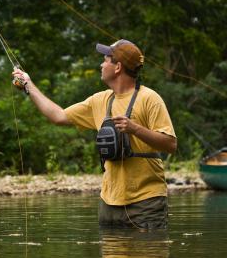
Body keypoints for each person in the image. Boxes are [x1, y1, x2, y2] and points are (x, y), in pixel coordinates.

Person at [12, 39, 177, 230]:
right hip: (109, 203)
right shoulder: (99, 100)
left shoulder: (150, 99)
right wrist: (28, 85)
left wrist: (135, 129)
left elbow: (171, 145)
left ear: (118, 67)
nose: (101, 64)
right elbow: (58, 116)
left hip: (146, 202)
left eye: (106, 60)